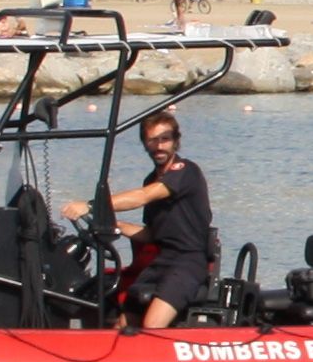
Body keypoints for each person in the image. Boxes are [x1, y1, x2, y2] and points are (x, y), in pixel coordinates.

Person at [68, 107, 215, 326]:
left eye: (164, 139)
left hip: (188, 261)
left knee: (151, 326)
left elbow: (144, 196)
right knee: (123, 323)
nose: (158, 146)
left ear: (176, 141)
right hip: (162, 261)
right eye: (152, 140)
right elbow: (151, 235)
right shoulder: (151, 178)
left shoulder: (185, 171)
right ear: (145, 144)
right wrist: (114, 225)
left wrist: (92, 206)